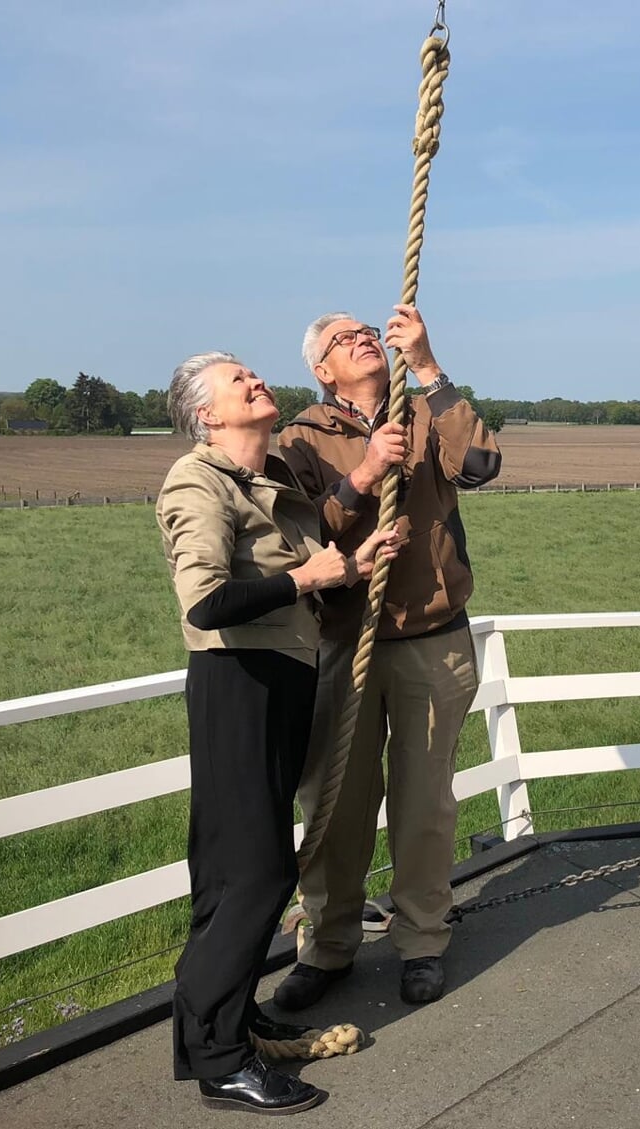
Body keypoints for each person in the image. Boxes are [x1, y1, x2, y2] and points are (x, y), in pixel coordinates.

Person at [157, 350, 396, 1115]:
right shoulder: (196, 479)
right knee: (253, 873)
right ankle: (220, 1061)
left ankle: (224, 1020)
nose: (255, 379)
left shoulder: (263, 482)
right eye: (237, 379)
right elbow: (205, 601)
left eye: (252, 372)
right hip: (240, 687)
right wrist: (310, 579)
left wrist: (351, 566)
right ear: (208, 414)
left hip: (279, 681)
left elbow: (293, 568)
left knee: (236, 873)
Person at [273, 304, 501, 1009]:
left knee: (423, 801)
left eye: (367, 330)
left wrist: (429, 367)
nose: (364, 338)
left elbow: (484, 464)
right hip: (344, 641)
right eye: (345, 338)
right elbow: (299, 533)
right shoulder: (298, 440)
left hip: (432, 636)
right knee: (336, 803)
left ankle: (423, 939)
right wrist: (367, 472)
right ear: (321, 369)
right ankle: (330, 945)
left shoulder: (426, 411)